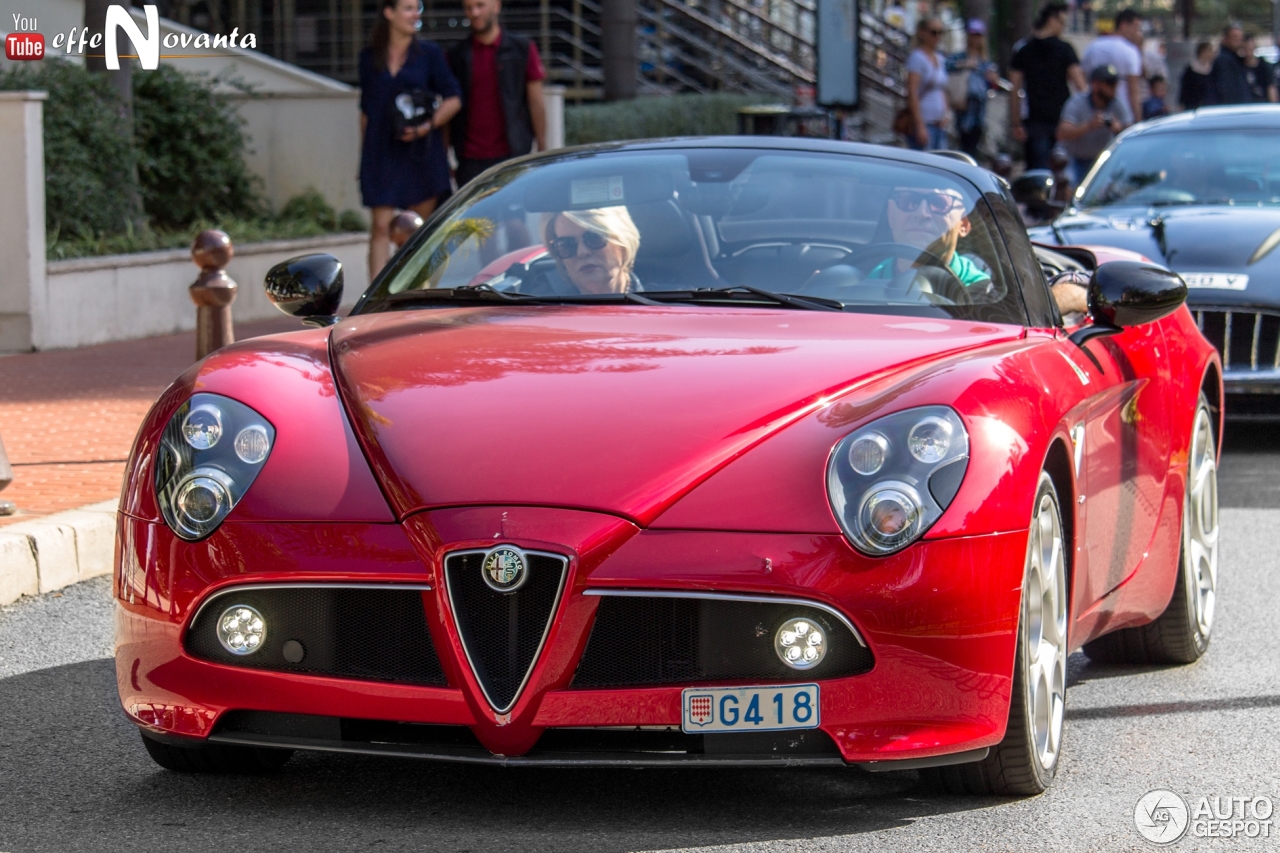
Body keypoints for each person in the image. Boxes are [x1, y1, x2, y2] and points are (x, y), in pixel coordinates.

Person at [358, 0, 461, 279]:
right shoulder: (369, 57)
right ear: (389, 13)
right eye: (407, 8)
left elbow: (453, 99)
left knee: (422, 231)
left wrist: (428, 126)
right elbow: (366, 112)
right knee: (380, 227)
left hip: (420, 152)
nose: (415, 14)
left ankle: (421, 296)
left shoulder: (429, 54)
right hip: (381, 151)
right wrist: (365, 158)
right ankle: (375, 303)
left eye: (418, 8)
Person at [447, 0, 548, 187]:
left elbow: (536, 102)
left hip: (512, 155)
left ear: (496, 5)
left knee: (515, 216)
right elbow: (448, 107)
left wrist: (542, 148)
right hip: (470, 159)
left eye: (480, 5)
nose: (474, 13)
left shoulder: (522, 49)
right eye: (469, 8)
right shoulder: (456, 55)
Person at [868, 184, 992, 289]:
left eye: (939, 203)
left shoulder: (982, 295)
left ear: (963, 223)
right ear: (891, 215)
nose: (922, 213)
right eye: (909, 201)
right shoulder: (862, 284)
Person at [1009, 3, 1086, 170]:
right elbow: (1081, 86)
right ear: (1052, 20)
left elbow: (1014, 90)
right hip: (1062, 118)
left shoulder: (1024, 50)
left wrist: (1016, 122)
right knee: (1064, 171)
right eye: (1062, 22)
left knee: (1038, 172)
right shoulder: (1065, 49)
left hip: (1035, 120)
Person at [1057, 64, 1132, 182]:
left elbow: (1131, 132)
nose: (1114, 88)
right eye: (1110, 84)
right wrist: (1088, 126)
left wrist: (1118, 129)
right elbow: (1062, 133)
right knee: (1068, 181)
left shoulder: (1117, 104)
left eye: (1115, 84)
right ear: (1095, 85)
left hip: (1101, 162)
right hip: (1076, 159)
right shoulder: (1077, 102)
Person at [542, 207, 641, 294]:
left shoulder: (655, 303)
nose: (582, 252)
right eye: (566, 245)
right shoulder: (541, 310)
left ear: (622, 241)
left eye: (594, 238)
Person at [947, 19, 1002, 158]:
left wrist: (993, 80)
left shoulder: (985, 62)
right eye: (973, 34)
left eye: (978, 35)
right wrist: (964, 65)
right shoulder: (960, 56)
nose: (975, 38)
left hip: (979, 107)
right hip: (963, 104)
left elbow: (991, 86)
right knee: (962, 140)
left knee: (974, 142)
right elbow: (947, 66)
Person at [1081, 8, 1144, 124]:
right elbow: (1133, 90)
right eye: (1136, 28)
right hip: (1122, 116)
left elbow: (1083, 79)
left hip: (1093, 115)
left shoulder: (1093, 46)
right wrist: (1138, 121)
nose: (1138, 33)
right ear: (1124, 25)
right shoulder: (1130, 51)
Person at [904, 17, 951, 151]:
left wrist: (946, 113)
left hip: (939, 124)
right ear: (923, 33)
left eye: (940, 32)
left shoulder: (940, 58)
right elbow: (912, 91)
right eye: (933, 32)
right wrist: (919, 125)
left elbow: (942, 89)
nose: (937, 36)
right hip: (925, 123)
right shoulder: (917, 58)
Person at [1206, 24, 1251, 105]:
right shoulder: (1224, 61)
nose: (1238, 41)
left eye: (1240, 38)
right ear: (1225, 39)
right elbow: (1228, 91)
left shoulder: (1236, 59)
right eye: (1234, 37)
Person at [1241, 34, 1278, 103]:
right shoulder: (1239, 67)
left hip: (1262, 105)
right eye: (1245, 48)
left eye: (1250, 47)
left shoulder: (1264, 67)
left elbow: (1270, 88)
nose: (1248, 50)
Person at [1178, 41, 1214, 110]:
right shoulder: (1191, 69)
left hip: (1208, 105)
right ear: (1202, 52)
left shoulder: (1212, 69)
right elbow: (1185, 88)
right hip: (1192, 104)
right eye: (1209, 51)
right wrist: (1182, 104)